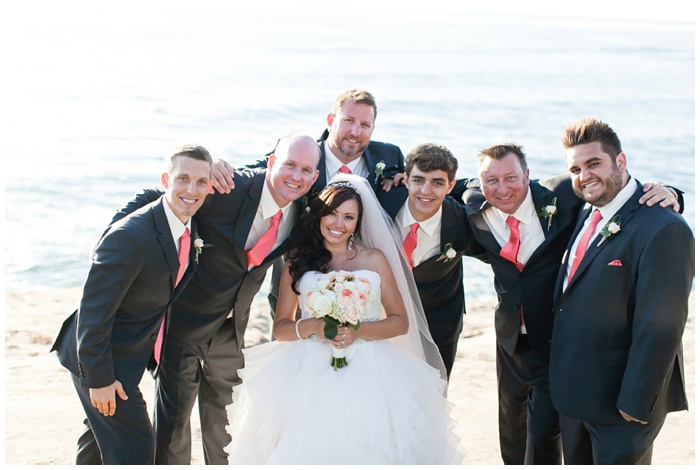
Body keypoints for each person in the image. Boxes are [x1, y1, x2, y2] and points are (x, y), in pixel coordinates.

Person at [462, 143, 681, 464]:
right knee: (510, 436)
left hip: (555, 342)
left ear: (527, 175)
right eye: (490, 180)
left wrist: (670, 190)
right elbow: (443, 186)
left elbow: (613, 186)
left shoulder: (562, 193)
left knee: (544, 437)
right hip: (509, 344)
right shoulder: (473, 203)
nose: (502, 188)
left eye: (511, 177)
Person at [224, 174, 463, 464]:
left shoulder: (374, 259)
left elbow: (400, 321)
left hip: (370, 369)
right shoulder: (297, 259)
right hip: (306, 371)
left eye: (348, 217)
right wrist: (312, 326)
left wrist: (357, 330)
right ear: (320, 214)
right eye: (332, 214)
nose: (339, 224)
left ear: (358, 223)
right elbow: (282, 329)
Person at [111, 134, 320, 464]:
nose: (296, 176)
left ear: (315, 176)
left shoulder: (303, 209)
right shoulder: (228, 188)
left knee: (225, 426)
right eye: (289, 165)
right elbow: (160, 197)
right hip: (184, 324)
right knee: (174, 426)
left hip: (232, 330)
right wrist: (113, 237)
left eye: (306, 170)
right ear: (271, 162)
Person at [50, 144, 214, 464]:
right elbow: (94, 313)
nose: (191, 190)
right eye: (182, 179)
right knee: (137, 450)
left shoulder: (187, 225)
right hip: (99, 361)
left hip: (127, 356)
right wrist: (99, 381)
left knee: (99, 444)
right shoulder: (131, 236)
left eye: (201, 182)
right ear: (166, 179)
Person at [549, 117, 694, 464]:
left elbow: (662, 326)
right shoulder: (585, 209)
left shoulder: (662, 228)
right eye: (576, 168)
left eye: (594, 163)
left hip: (622, 406)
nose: (584, 176)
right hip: (574, 397)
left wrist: (636, 402)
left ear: (621, 161)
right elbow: (513, 188)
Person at [377, 143, 487, 377]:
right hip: (381, 321)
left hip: (438, 325)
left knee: (431, 398)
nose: (426, 191)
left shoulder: (462, 223)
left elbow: (498, 254)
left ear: (450, 186)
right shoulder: (382, 201)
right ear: (405, 179)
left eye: (437, 182)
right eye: (418, 180)